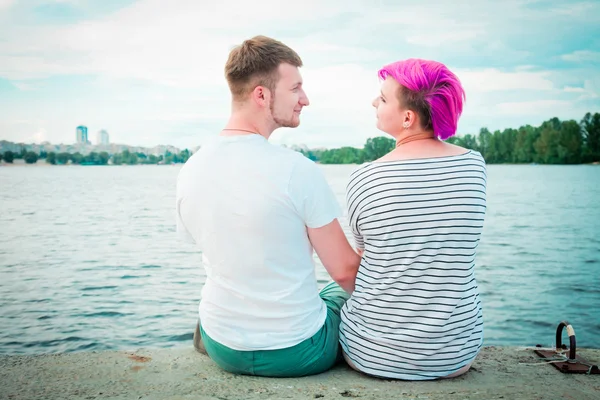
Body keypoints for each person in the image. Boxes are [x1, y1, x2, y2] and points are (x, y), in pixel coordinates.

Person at [175, 35, 361, 377]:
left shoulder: (191, 169)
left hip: (222, 346)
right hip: (298, 350)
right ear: (261, 95)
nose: (305, 99)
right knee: (336, 290)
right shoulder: (296, 169)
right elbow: (345, 271)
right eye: (296, 88)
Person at [339, 59, 487, 380]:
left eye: (383, 98)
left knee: (333, 293)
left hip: (373, 354)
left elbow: (364, 260)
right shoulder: (474, 165)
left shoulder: (365, 177)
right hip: (455, 354)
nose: (374, 102)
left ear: (408, 117)